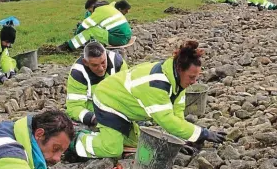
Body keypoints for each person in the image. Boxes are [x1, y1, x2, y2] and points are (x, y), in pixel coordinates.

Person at [68, 41, 226, 158]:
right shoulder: (157, 84)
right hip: (108, 102)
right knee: (113, 149)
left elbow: (176, 114)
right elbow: (168, 121)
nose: (194, 81)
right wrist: (202, 133)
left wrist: (181, 140)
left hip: (124, 108)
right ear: (180, 69)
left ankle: (104, 135)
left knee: (137, 145)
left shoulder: (176, 80)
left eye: (196, 77)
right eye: (192, 77)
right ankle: (77, 141)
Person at [66, 42, 128, 126]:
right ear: (85, 62)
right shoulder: (78, 73)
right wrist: (93, 118)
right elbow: (74, 106)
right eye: (95, 65)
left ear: (106, 55)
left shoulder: (118, 62)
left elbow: (127, 92)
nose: (101, 68)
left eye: (103, 62)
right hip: (94, 111)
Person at [58, 0, 133, 51]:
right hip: (126, 36)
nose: (91, 13)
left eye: (91, 11)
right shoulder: (110, 9)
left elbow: (84, 26)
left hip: (120, 39)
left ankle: (69, 46)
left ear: (95, 8)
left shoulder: (99, 11)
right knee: (96, 29)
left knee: (91, 31)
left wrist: (77, 35)